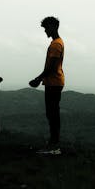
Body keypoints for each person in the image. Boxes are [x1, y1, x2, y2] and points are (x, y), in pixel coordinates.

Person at [29, 16, 65, 155]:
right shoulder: (57, 42)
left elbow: (52, 67)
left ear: (54, 27)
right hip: (54, 82)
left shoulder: (56, 44)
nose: (45, 31)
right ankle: (53, 144)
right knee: (52, 114)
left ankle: (54, 146)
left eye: (46, 28)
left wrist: (38, 79)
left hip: (54, 83)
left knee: (53, 114)